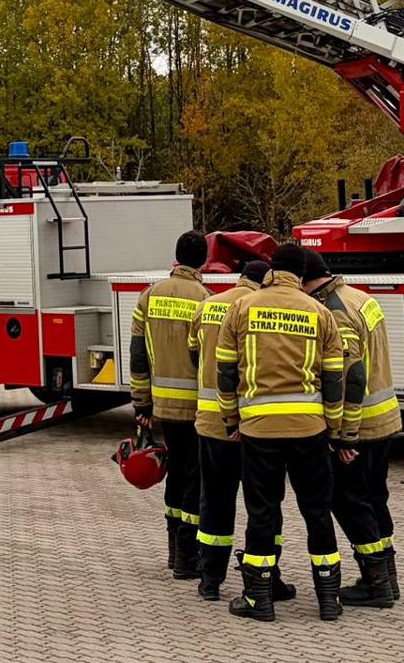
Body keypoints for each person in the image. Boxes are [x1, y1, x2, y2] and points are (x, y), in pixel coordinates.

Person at [216, 243, 348, 622]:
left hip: (259, 429)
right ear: (302, 274)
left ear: (273, 269)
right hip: (310, 429)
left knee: (262, 512)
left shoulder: (242, 307)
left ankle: (259, 599)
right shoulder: (320, 312)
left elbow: (225, 371)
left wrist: (231, 419)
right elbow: (333, 380)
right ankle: (328, 599)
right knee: (317, 512)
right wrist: (334, 429)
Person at [189, 260, 296, 603]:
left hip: (211, 424)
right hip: (255, 426)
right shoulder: (262, 309)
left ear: (239, 278)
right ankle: (267, 577)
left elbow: (195, 356)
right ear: (266, 281)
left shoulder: (208, 306)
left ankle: (210, 580)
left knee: (214, 501)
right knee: (264, 505)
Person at [301, 252, 401, 608]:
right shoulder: (359, 297)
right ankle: (388, 577)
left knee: (349, 501)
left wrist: (345, 435)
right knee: (374, 498)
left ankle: (376, 583)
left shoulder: (335, 310)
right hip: (382, 418)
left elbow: (351, 376)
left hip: (360, 425)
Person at [129, 231, 212, 580]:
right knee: (194, 479)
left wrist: (141, 404)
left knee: (175, 475)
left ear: (177, 257)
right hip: (196, 409)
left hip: (163, 407)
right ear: (204, 261)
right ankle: (187, 559)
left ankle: (173, 551)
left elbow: (138, 355)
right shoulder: (205, 299)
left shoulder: (149, 296)